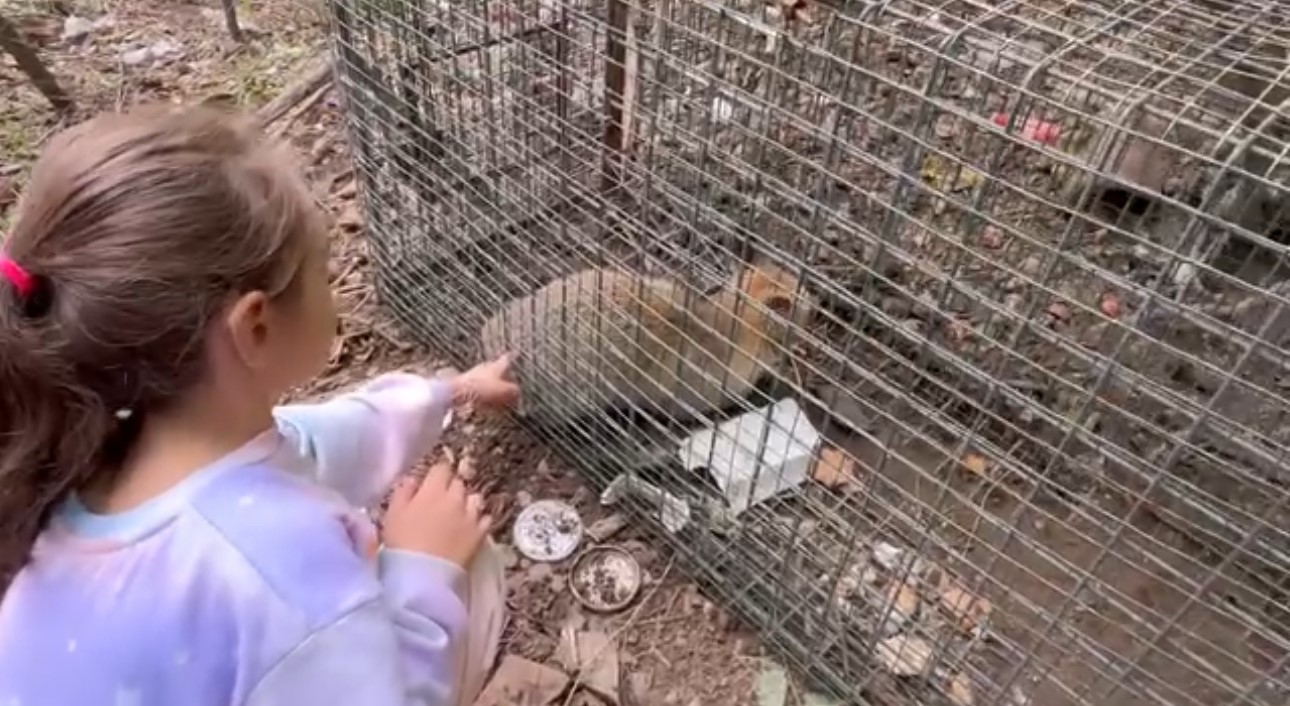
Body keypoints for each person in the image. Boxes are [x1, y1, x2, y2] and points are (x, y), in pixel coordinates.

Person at [0, 103, 519, 706]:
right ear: (255, 326)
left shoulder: (87, 450)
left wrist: (451, 392)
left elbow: (321, 442)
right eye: (321, 272)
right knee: (470, 568)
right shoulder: (277, 576)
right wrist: (422, 573)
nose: (334, 291)